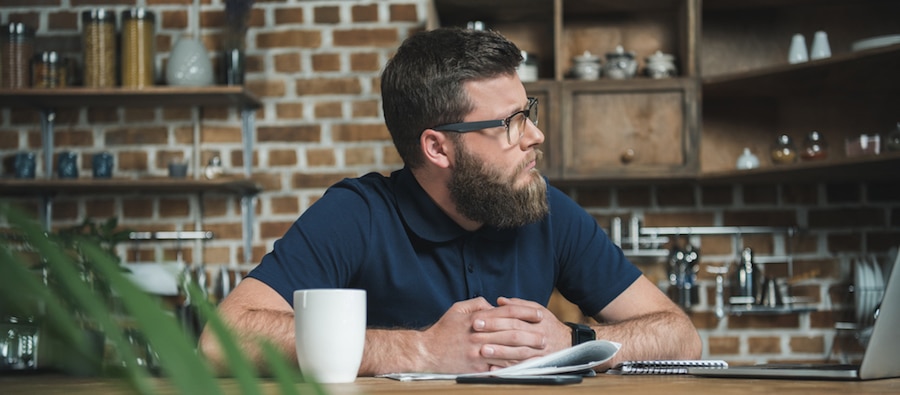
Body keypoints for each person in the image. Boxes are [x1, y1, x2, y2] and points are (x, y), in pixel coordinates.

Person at [199, 27, 701, 376]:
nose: (536, 135)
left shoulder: (543, 205)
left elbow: (682, 337)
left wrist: (572, 344)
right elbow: (221, 342)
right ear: (438, 147)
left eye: (528, 112)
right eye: (510, 124)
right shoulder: (357, 213)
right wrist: (417, 349)